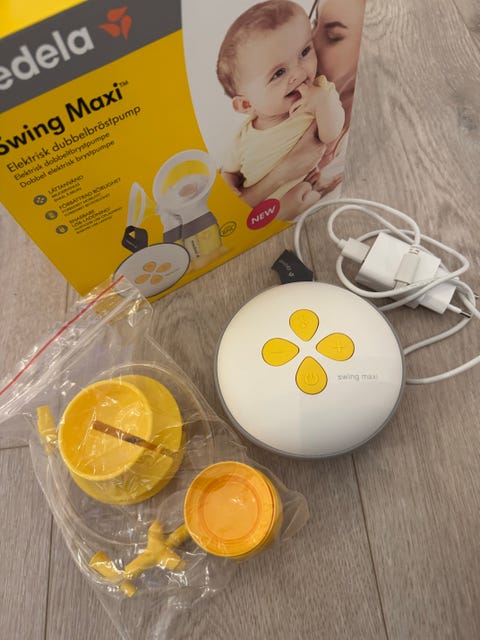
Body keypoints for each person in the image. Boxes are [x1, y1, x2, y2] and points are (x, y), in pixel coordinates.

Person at [239, 0, 366, 219]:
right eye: (314, 24)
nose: (311, 44)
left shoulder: (357, 143)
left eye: (333, 36)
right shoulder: (274, 105)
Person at [216, 0, 345, 212]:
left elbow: (331, 133)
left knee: (304, 193)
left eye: (304, 52)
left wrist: (321, 102)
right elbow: (230, 172)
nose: (298, 73)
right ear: (246, 104)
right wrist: (229, 184)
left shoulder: (319, 93)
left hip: (298, 192)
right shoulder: (243, 136)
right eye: (278, 73)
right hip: (261, 208)